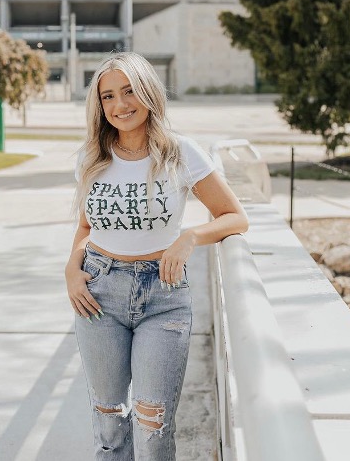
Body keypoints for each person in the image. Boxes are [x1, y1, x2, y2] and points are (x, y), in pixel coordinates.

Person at [65, 51, 248, 460]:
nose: (120, 105)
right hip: (98, 295)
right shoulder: (91, 157)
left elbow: (235, 216)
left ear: (148, 92)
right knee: (109, 422)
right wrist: (71, 272)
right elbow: (86, 227)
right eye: (108, 96)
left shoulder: (180, 152)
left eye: (129, 91)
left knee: (153, 425)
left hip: (162, 298)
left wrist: (188, 238)